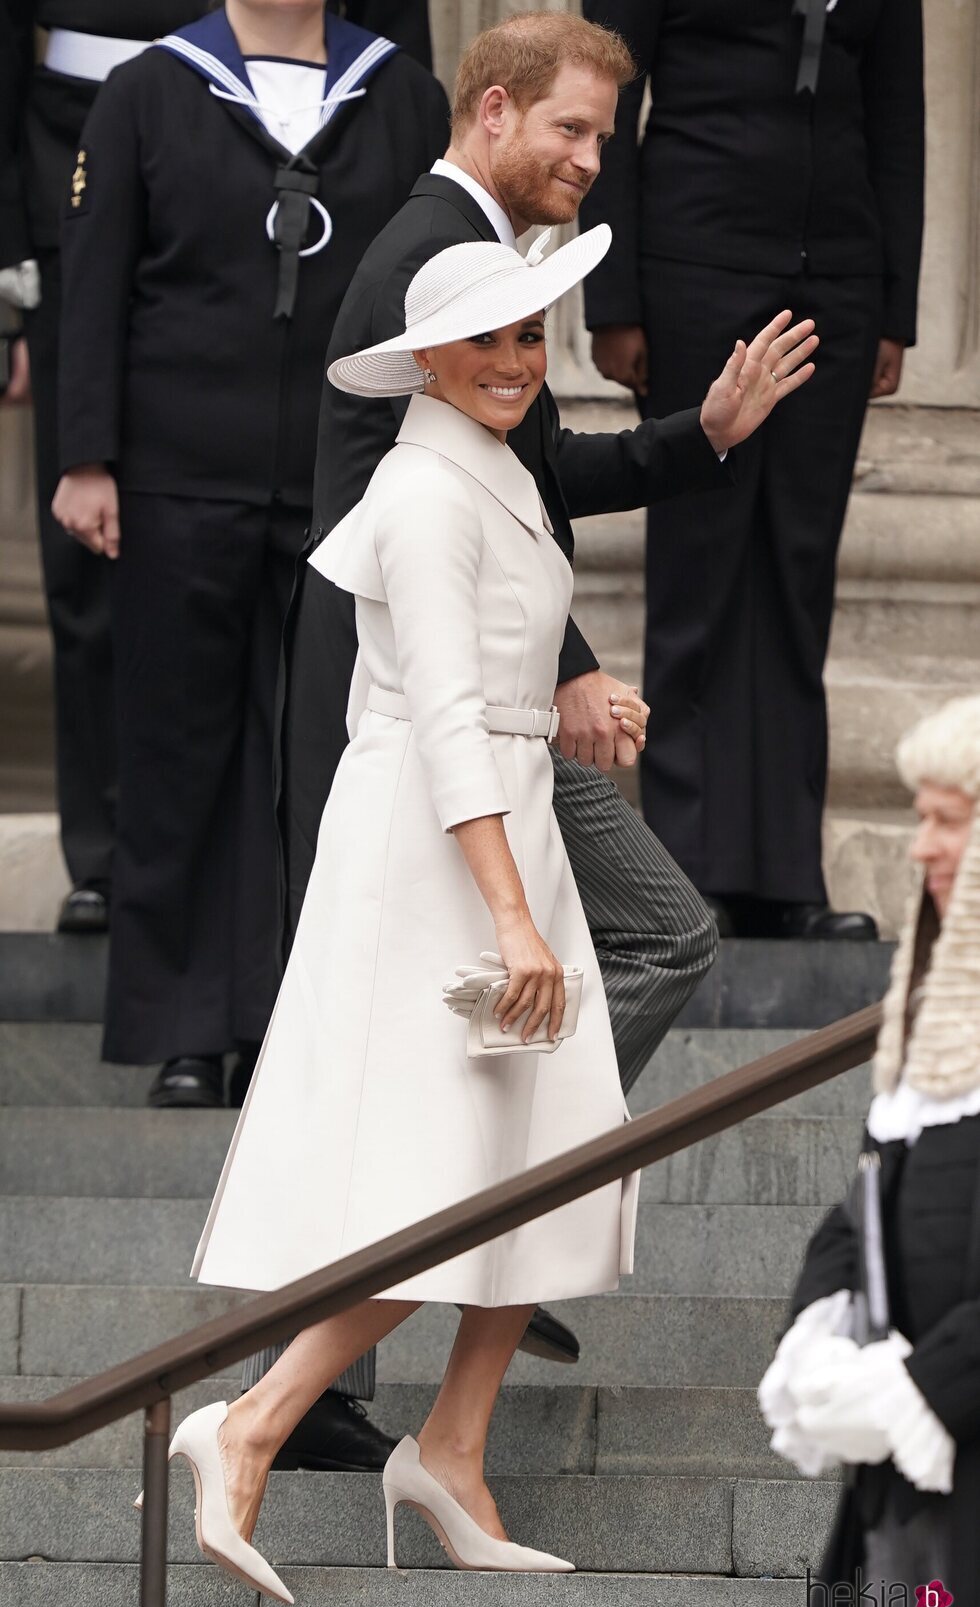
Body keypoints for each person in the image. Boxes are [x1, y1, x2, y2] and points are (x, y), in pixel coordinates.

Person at [249, 6, 818, 1443]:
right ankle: (320, 1383)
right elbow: (416, 513)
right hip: (410, 710)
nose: (588, 160)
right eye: (568, 131)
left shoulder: (489, 263)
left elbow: (537, 474)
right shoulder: (419, 261)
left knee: (638, 944)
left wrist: (709, 433)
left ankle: (514, 1210)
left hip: (488, 705)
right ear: (491, 112)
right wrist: (562, 655)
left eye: (601, 139)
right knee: (381, 1038)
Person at [156, 226, 640, 1604]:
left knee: (555, 1155)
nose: (511, 362)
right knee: (454, 1183)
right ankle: (249, 1423)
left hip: (510, 824)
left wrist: (560, 707)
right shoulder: (422, 492)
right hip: (446, 851)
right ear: (426, 357)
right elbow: (434, 713)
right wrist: (511, 915)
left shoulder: (493, 472)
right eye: (483, 340)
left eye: (524, 336)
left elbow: (494, 671)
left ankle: (453, 1451)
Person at [51, 1, 449, 1116]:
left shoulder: (401, 95)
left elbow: (432, 290)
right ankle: (185, 1031)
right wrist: (87, 456)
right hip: (179, 472)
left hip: (340, 478)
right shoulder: (148, 90)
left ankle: (299, 1024)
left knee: (323, 764)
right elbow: (97, 282)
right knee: (179, 760)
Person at [580, 0, 925, 941]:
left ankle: (785, 879)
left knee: (796, 573)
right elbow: (606, 88)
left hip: (839, 279)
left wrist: (896, 306)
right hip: (694, 261)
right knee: (699, 568)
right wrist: (611, 298)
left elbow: (898, 112)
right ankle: (690, 874)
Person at [758, 693, 980, 1607]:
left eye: (947, 823)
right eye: (917, 819)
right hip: (911, 1507)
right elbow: (867, 1208)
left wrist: (924, 1393)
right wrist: (819, 1327)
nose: (921, 847)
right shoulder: (931, 1028)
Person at [0, 0, 211, 934]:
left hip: (231, 187)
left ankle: (212, 845)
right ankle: (103, 852)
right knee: (83, 554)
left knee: (218, 550)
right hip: (62, 174)